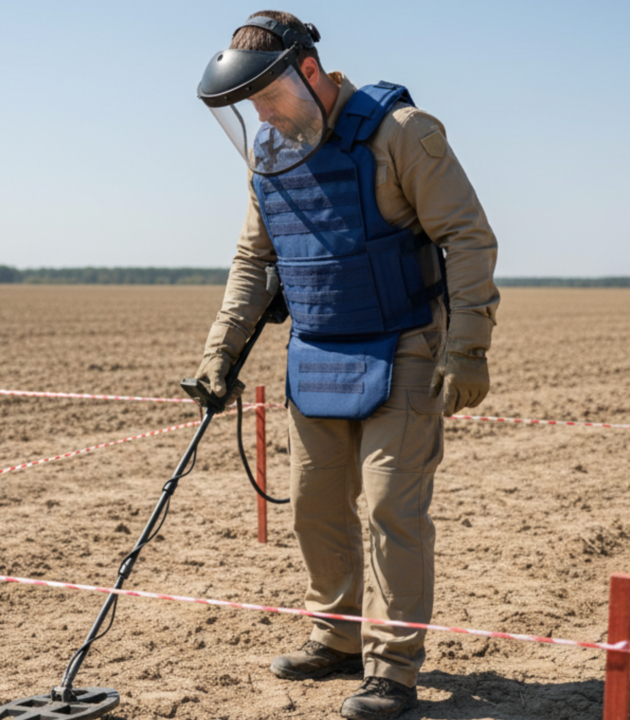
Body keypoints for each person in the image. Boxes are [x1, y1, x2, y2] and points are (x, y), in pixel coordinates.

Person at [193, 11, 499, 720]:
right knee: (315, 509)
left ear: (308, 71)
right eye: (251, 106)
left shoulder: (404, 134)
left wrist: (468, 346)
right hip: (319, 352)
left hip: (406, 346)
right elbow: (254, 260)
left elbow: (468, 237)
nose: (261, 115)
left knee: (393, 507)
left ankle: (392, 669)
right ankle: (335, 636)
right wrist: (221, 350)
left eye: (269, 97)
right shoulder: (269, 153)